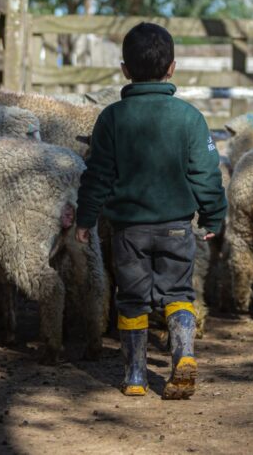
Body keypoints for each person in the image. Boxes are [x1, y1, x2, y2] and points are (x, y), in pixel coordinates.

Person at [75, 23, 227, 400]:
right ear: (172, 68)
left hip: (129, 231)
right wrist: (213, 216)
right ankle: (184, 355)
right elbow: (206, 174)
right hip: (177, 226)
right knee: (178, 292)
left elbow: (97, 175)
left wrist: (86, 217)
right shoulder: (190, 118)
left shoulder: (111, 118)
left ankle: (136, 375)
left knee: (132, 297)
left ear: (125, 69)